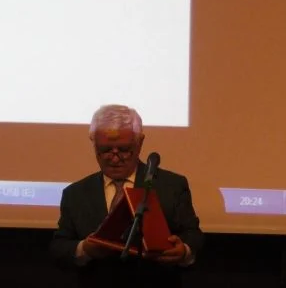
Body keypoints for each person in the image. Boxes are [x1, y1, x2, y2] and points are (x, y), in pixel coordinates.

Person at [49, 104, 204, 288]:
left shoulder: (171, 186)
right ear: (93, 144)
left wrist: (183, 251)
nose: (115, 158)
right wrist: (85, 249)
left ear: (140, 142)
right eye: (106, 150)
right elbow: (59, 248)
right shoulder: (75, 193)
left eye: (123, 149)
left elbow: (192, 235)